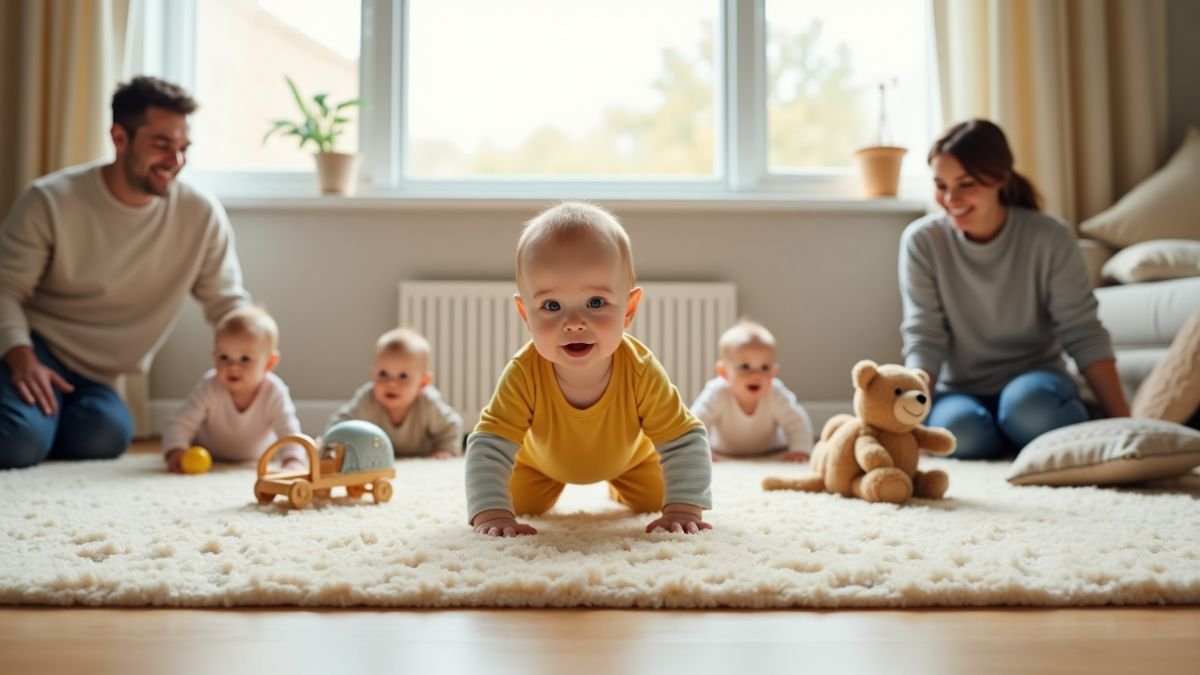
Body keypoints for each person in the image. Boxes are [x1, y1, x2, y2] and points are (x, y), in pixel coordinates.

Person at [0, 76, 250, 470]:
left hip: (96, 378)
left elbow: (227, 302)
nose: (176, 161)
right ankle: (32, 424)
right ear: (120, 137)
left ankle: (41, 423)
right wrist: (21, 358)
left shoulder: (199, 214)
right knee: (18, 442)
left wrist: (256, 351)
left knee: (105, 436)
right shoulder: (50, 200)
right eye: (162, 145)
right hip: (33, 351)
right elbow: (5, 289)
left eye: (183, 148)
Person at [465, 202, 713, 537]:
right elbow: (489, 444)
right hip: (538, 465)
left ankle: (619, 486)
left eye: (596, 303)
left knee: (659, 498)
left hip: (631, 462)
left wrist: (684, 509)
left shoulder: (640, 370)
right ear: (526, 315)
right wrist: (491, 514)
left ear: (629, 308)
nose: (574, 323)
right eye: (551, 306)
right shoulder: (524, 373)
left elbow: (684, 440)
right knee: (517, 504)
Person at [899, 119, 1129, 460]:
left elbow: (1082, 331)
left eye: (966, 184)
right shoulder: (922, 242)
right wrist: (907, 425)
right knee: (960, 433)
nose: (950, 199)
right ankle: (1016, 438)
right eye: (940, 185)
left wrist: (1125, 421)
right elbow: (924, 337)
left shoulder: (1050, 237)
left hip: (1034, 384)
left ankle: (1032, 428)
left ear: (1000, 178)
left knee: (1030, 411)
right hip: (960, 391)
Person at [162, 306, 303, 472]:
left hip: (255, 459)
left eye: (245, 359)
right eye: (224, 357)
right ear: (214, 357)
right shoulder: (210, 386)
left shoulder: (274, 391)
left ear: (269, 363)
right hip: (209, 454)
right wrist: (176, 451)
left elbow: (288, 429)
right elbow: (181, 423)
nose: (233, 367)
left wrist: (293, 459)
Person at [325, 327, 464, 459]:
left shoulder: (427, 403)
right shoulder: (368, 399)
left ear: (422, 383)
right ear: (373, 373)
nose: (391, 383)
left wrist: (445, 450)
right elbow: (341, 422)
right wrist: (332, 446)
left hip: (422, 456)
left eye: (403, 376)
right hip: (375, 457)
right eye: (383, 374)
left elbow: (451, 426)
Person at [691, 320, 813, 462]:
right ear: (724, 372)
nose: (756, 375)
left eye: (765, 368)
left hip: (772, 449)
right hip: (723, 450)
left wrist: (799, 449)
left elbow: (796, 421)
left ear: (774, 371)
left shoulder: (775, 393)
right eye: (745, 367)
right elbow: (697, 420)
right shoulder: (717, 393)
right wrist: (699, 450)